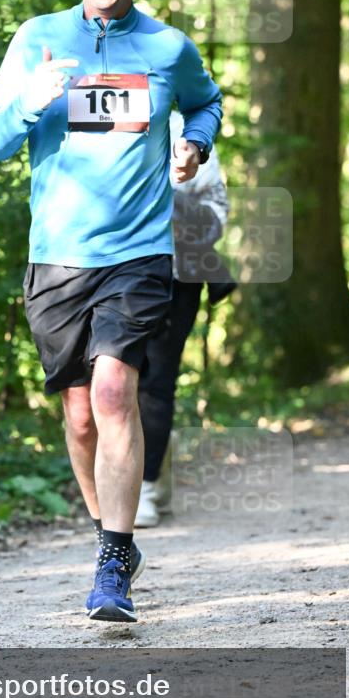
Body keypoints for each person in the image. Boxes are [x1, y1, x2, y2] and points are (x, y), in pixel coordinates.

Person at [0, 0, 222, 623]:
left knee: (115, 392)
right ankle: (109, 537)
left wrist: (193, 144)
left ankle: (112, 564)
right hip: (57, 256)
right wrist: (30, 99)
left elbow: (206, 104)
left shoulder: (167, 48)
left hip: (139, 252)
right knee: (79, 417)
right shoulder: (38, 40)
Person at [135, 112, 237, 527]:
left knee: (157, 380)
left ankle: (145, 484)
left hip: (180, 276)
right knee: (112, 379)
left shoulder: (187, 132)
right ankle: (134, 475)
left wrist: (171, 199)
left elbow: (217, 211)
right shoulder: (97, 116)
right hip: (113, 270)